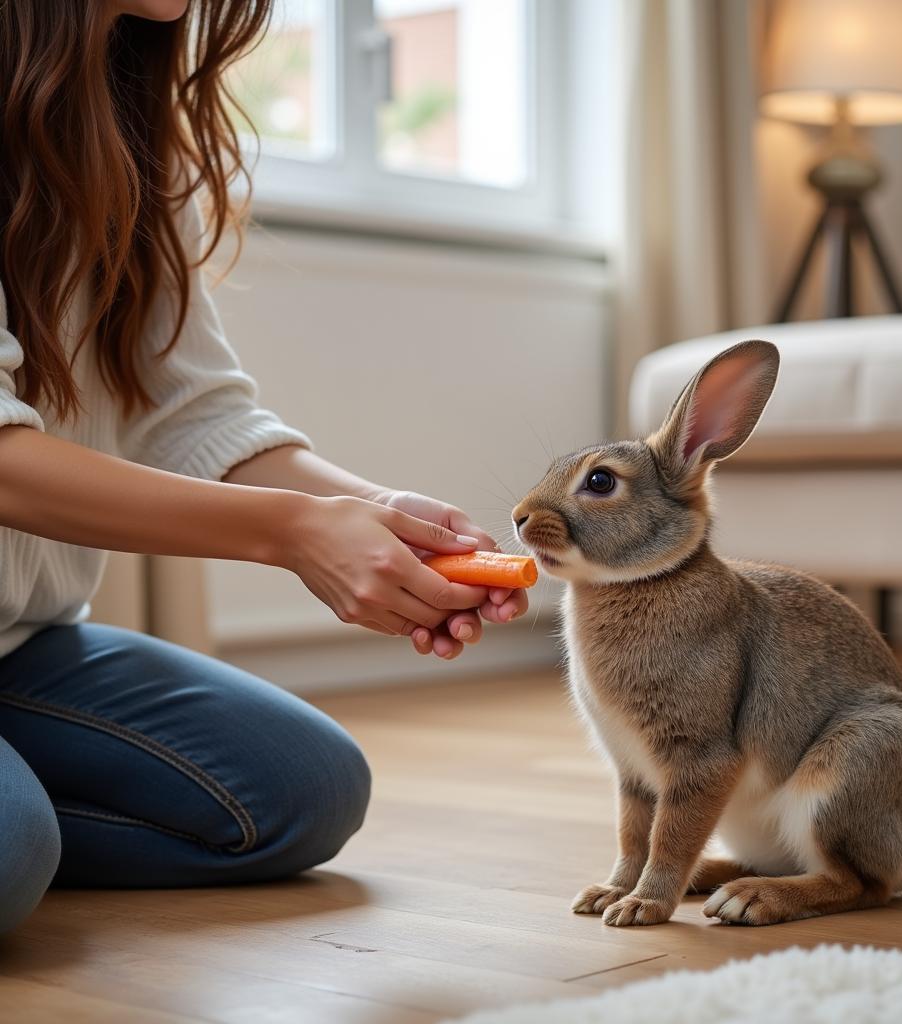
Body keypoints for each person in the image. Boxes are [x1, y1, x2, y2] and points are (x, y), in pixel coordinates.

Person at [0, 0, 528, 936]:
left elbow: (200, 416)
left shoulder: (120, 127)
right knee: (11, 851)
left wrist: (376, 514)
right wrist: (294, 534)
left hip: (20, 646)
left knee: (301, 789)